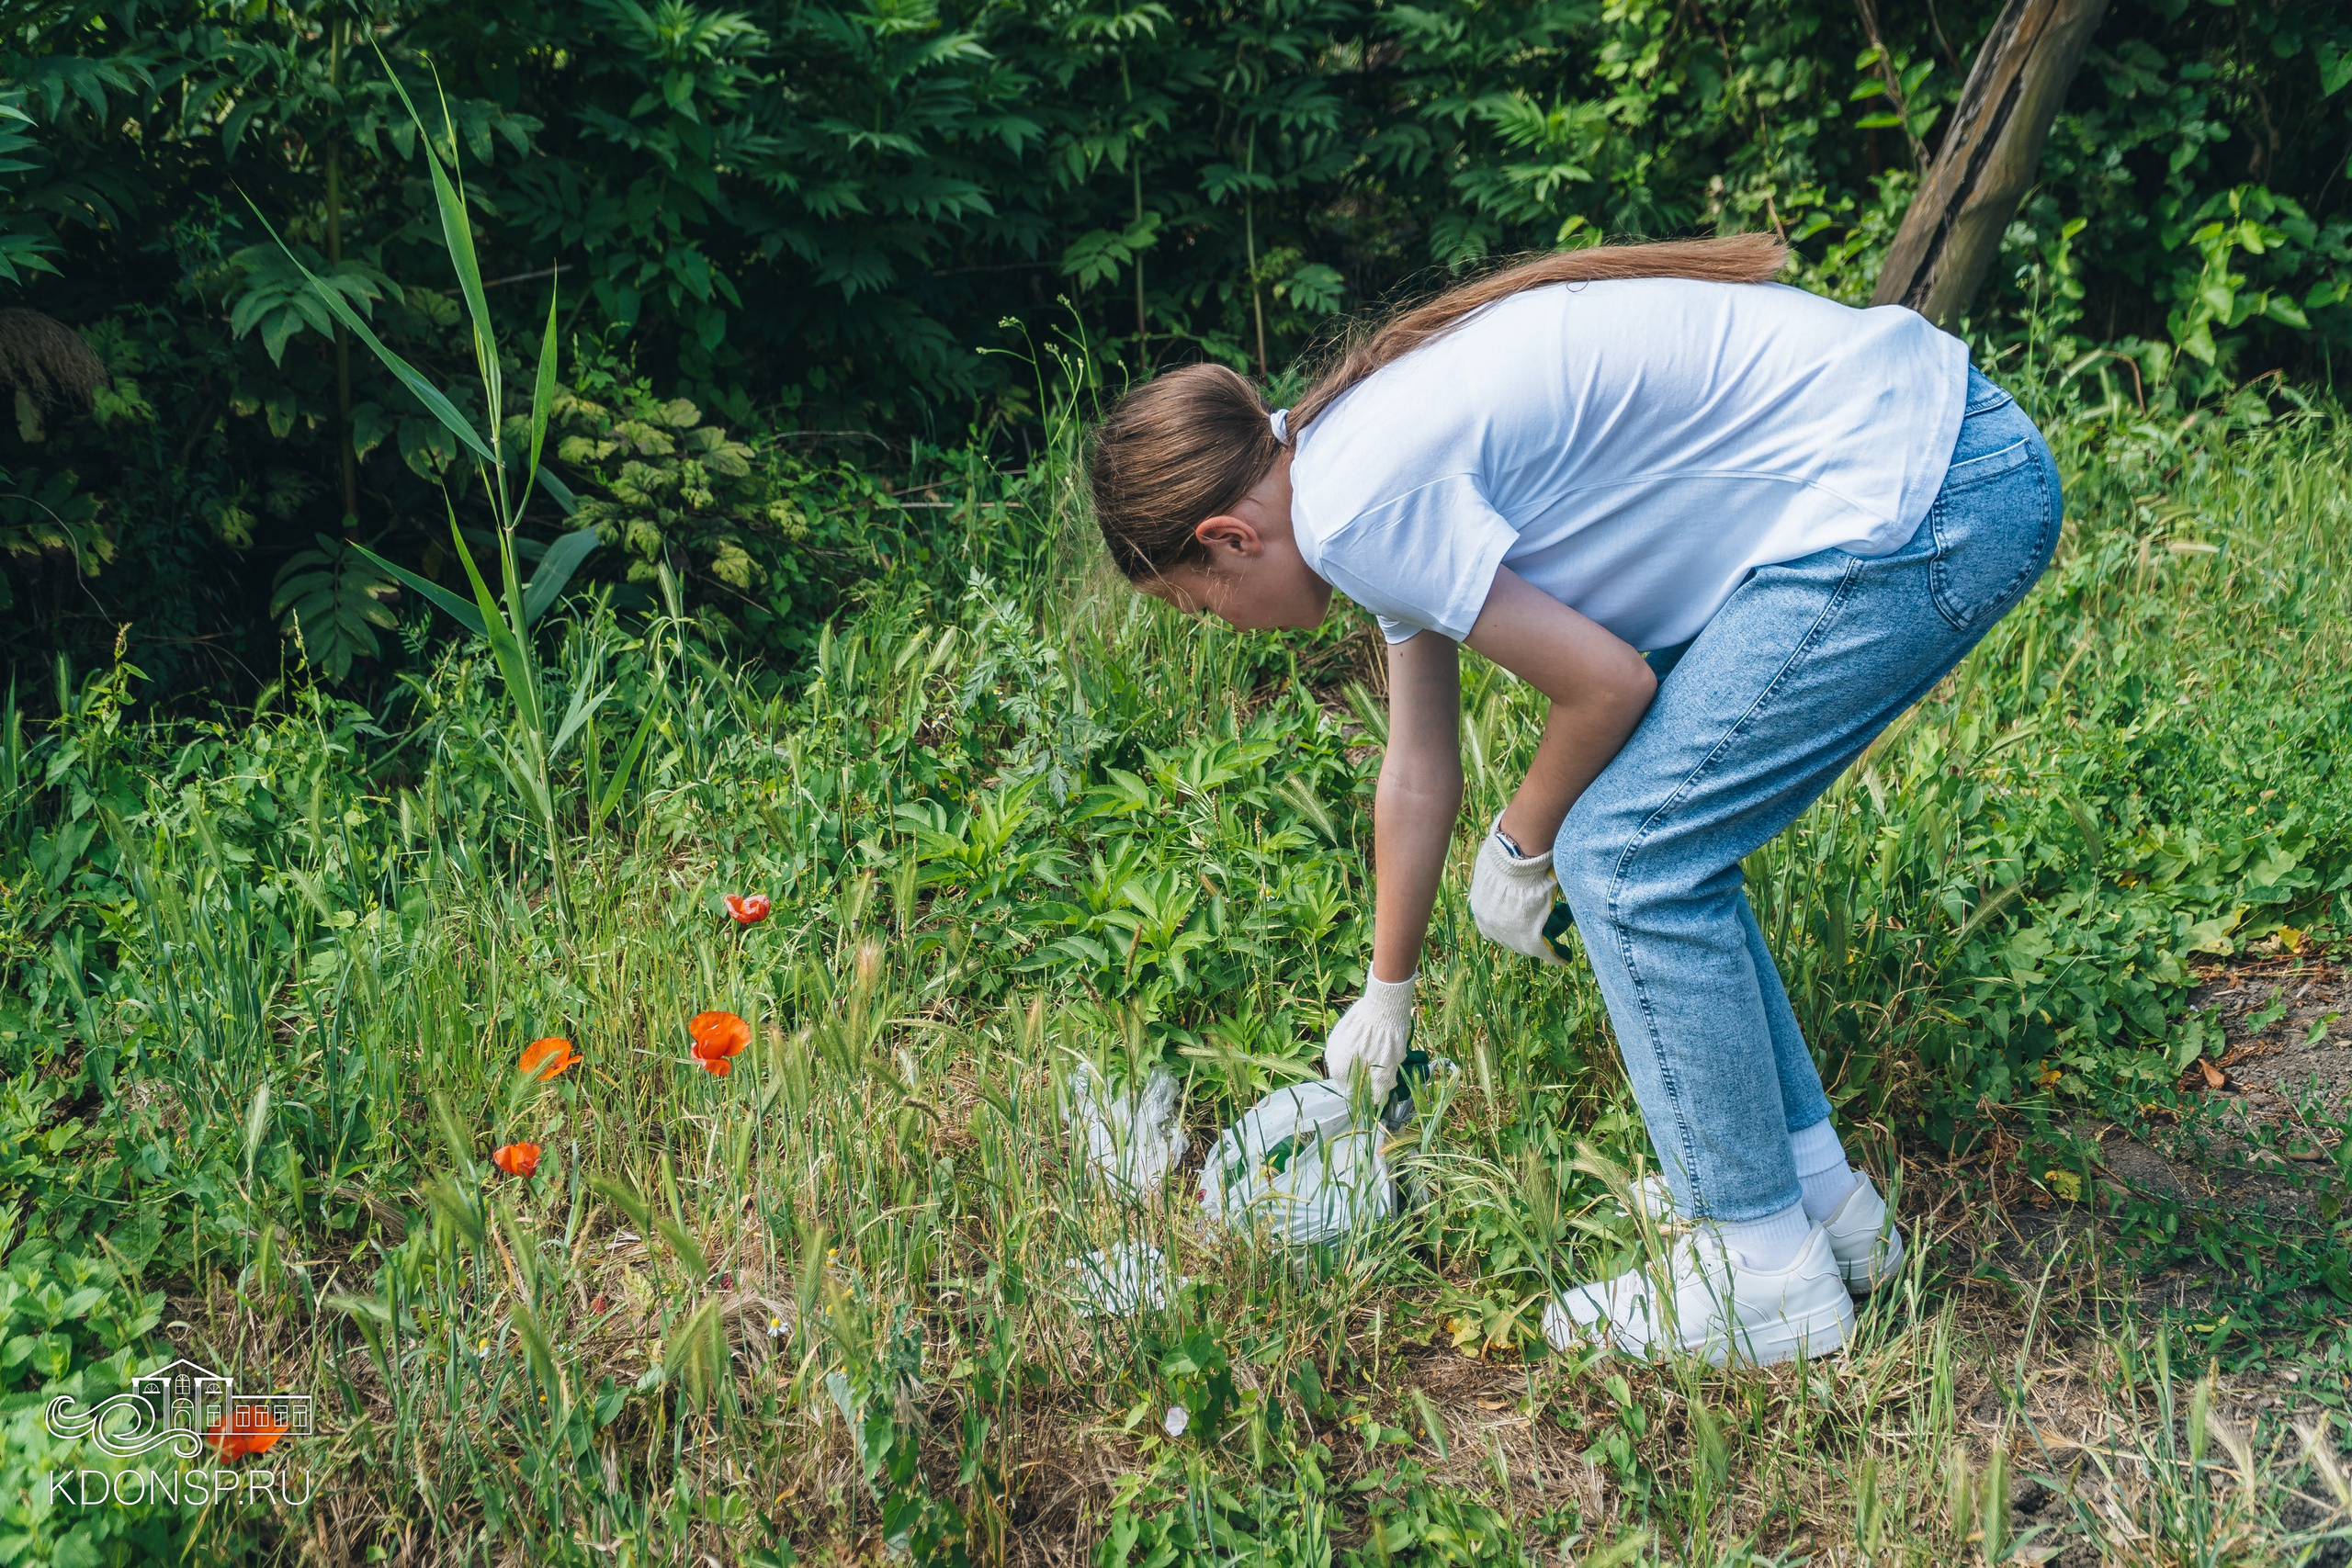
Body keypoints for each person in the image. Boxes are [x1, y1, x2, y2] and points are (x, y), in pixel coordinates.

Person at [1083, 234, 2063, 1365]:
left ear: (1226, 538)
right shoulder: (1338, 464)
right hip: (1939, 461)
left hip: (1925, 498)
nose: (1224, 629)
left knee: (1630, 856)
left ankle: (1761, 1275)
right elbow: (1417, 766)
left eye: (1201, 607)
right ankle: (1820, 1212)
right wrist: (1385, 994)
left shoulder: (1353, 508)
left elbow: (1607, 684)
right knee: (1654, 850)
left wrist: (1522, 842)